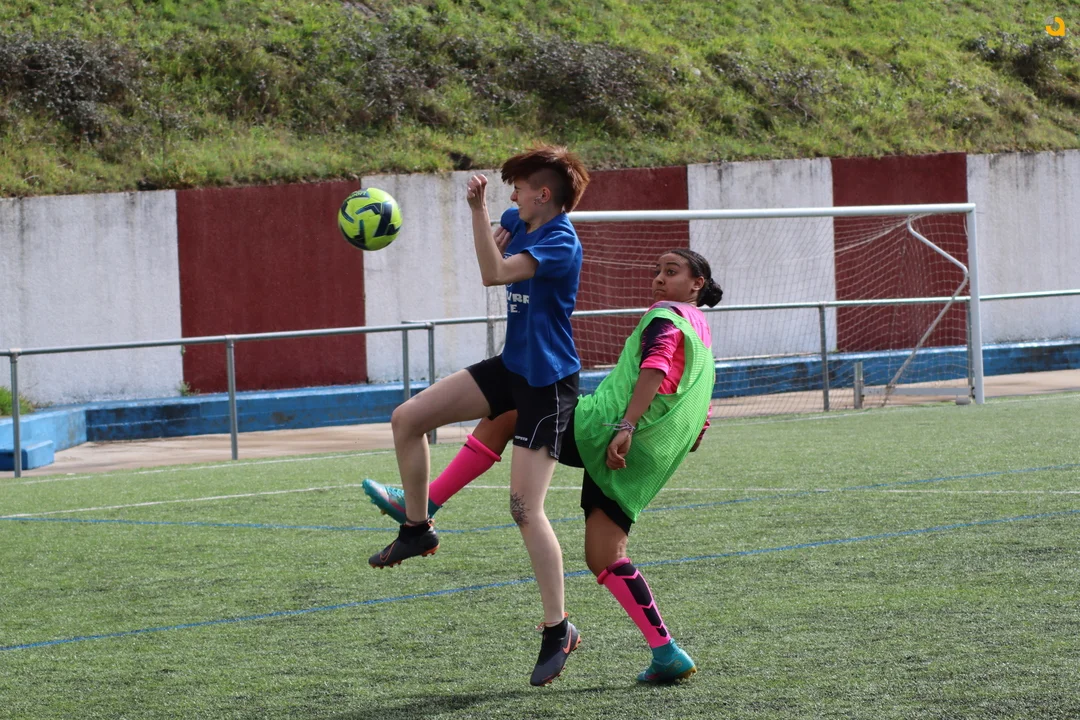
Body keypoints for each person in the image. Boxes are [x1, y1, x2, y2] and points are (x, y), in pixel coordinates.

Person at [365, 248, 724, 684]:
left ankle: (425, 506)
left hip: (607, 431)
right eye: (657, 272)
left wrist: (627, 425)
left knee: (512, 409)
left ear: (697, 284)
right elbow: (700, 402)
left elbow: (655, 366)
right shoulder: (703, 335)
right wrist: (688, 432)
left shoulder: (666, 318)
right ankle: (666, 651)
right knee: (605, 556)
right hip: (649, 456)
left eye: (671, 272)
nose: (659, 279)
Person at [367, 145, 590, 687]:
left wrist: (475, 211)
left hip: (547, 383)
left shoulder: (560, 240)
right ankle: (417, 528)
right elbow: (494, 249)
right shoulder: (519, 220)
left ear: (544, 194)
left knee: (524, 509)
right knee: (407, 418)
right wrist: (493, 226)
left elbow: (493, 274)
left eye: (520, 187)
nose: (512, 195)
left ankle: (558, 628)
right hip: (513, 366)